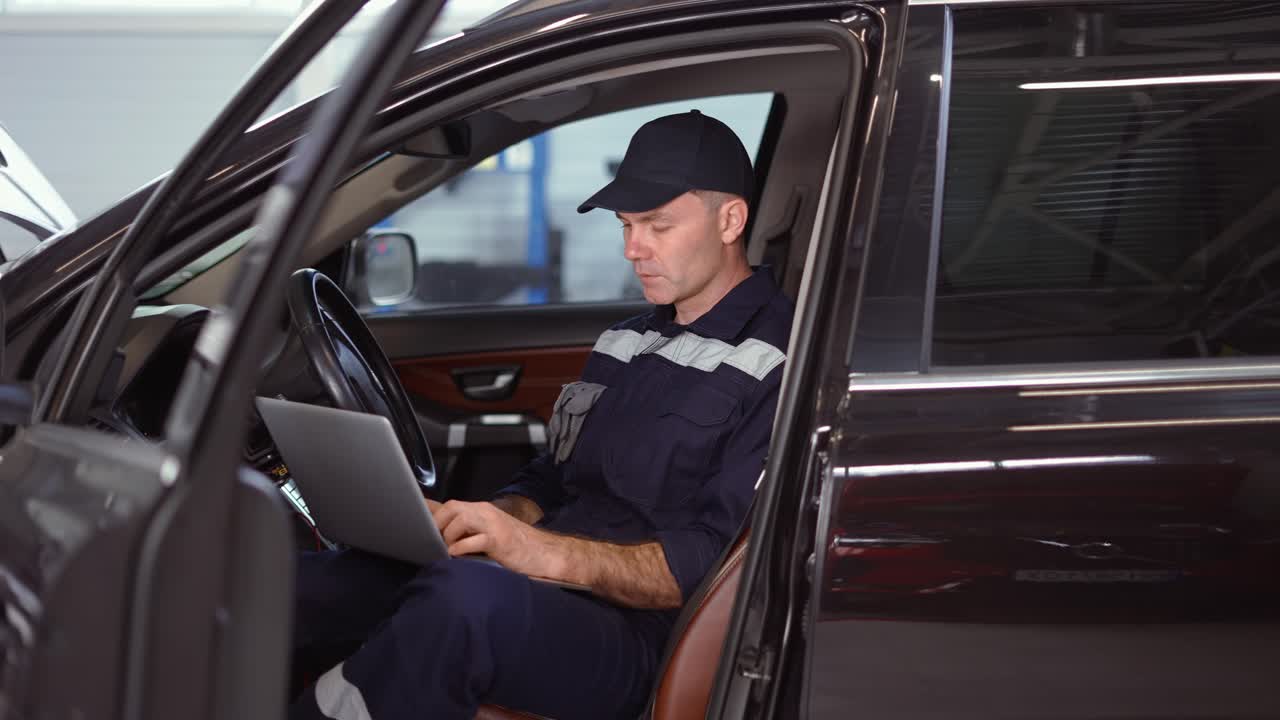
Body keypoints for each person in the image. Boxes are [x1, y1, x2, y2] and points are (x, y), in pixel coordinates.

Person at [290, 110, 794, 720]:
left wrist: (540, 553)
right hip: (543, 588)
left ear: (731, 220)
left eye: (658, 225)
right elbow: (551, 476)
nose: (634, 249)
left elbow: (705, 565)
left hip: (639, 635)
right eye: (626, 225)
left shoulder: (778, 363)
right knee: (320, 581)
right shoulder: (625, 341)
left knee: (465, 602)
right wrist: (480, 525)